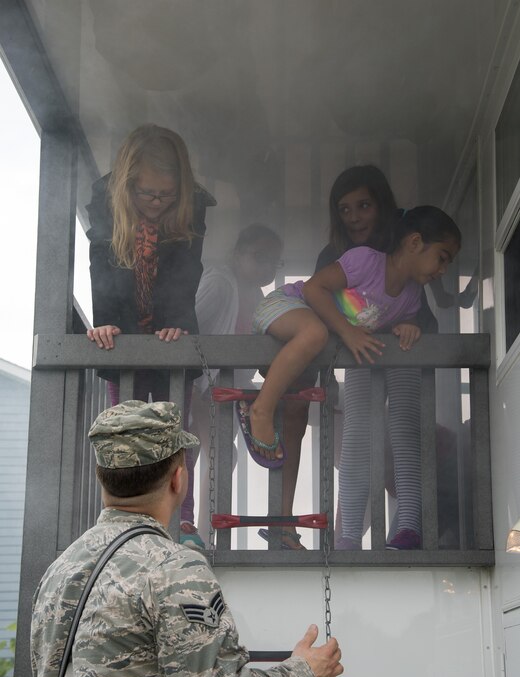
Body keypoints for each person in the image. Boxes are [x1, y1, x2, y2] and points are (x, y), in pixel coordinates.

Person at [31, 400, 343, 677]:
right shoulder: (174, 569)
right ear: (179, 478)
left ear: (102, 478)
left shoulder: (61, 570)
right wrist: (304, 675)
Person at [242, 206, 461, 551]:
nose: (444, 269)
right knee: (314, 334)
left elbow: (377, 322)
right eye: (442, 257)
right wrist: (346, 332)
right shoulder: (366, 261)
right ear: (416, 242)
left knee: (314, 336)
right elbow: (315, 289)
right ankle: (261, 410)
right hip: (283, 306)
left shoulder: (410, 298)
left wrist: (407, 326)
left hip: (308, 328)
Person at [85, 124, 215, 540]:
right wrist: (105, 319)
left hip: (170, 331)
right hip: (124, 331)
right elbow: (100, 263)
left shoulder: (193, 203)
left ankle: (185, 518)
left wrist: (175, 318)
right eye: (147, 194)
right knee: (128, 429)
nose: (158, 202)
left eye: (167, 195)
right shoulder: (105, 201)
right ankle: (126, 521)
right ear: (126, 185)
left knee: (175, 432)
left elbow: (188, 268)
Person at [191, 224, 283, 540]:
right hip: (201, 386)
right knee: (208, 453)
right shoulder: (220, 283)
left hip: (227, 391)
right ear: (237, 254)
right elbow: (191, 326)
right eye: (260, 257)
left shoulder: (257, 295)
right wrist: (195, 385)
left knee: (216, 454)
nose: (267, 266)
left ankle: (203, 531)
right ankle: (195, 532)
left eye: (274, 260)